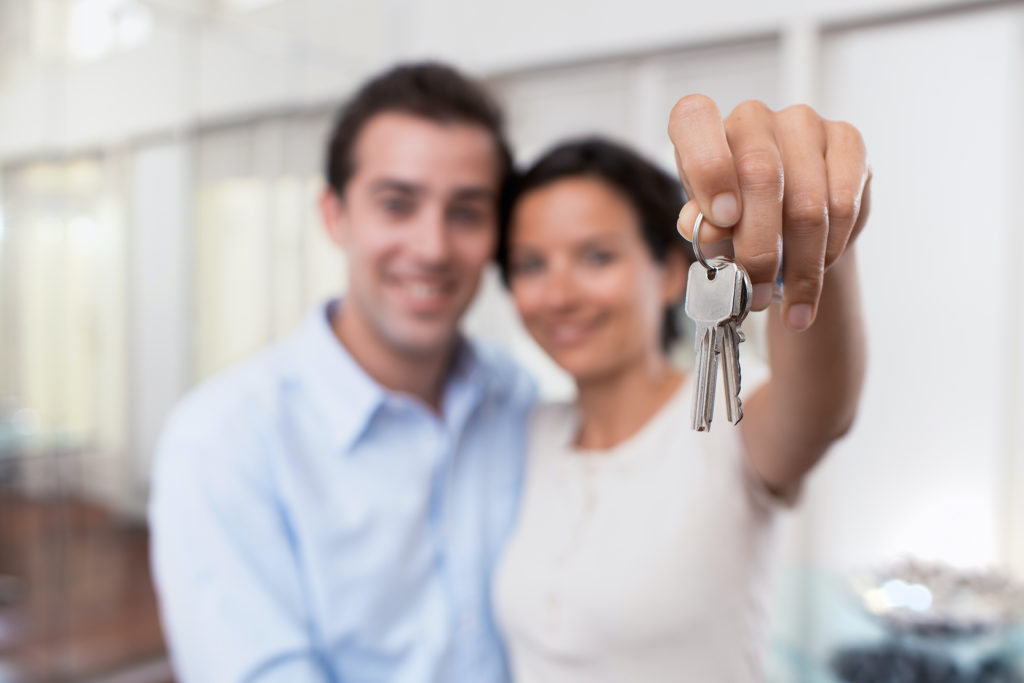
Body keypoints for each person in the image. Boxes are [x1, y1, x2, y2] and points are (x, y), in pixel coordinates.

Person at [149, 58, 870, 681]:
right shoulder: (224, 437)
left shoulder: (514, 400)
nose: (431, 246)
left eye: (465, 211)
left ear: (667, 271)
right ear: (335, 215)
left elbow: (820, 409)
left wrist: (816, 245)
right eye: (397, 203)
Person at [492, 130, 868, 681]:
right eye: (530, 265)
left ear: (671, 272)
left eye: (596, 257)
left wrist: (815, 228)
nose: (559, 294)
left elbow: (821, 410)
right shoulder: (534, 432)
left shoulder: (724, 410)